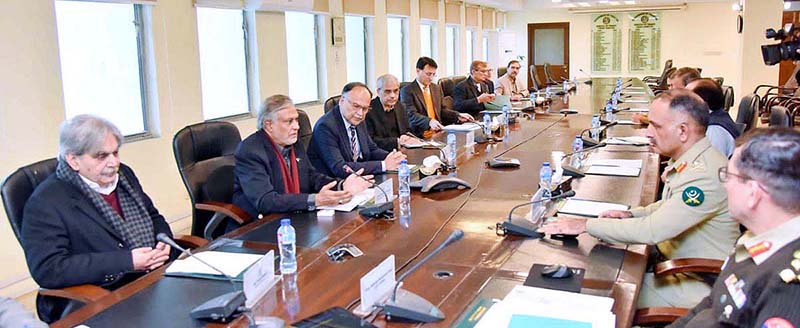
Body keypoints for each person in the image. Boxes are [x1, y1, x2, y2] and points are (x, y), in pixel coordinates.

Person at [539, 89, 740, 309]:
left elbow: (651, 231)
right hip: (674, 268)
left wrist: (585, 225)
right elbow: (668, 206)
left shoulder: (702, 175)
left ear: (683, 131)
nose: (647, 133)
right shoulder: (694, 159)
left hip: (695, 283)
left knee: (590, 290)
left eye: (656, 126)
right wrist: (631, 214)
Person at [21, 115, 176, 322]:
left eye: (115, 153)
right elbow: (49, 269)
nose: (114, 163)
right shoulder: (46, 201)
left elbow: (153, 216)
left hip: (150, 278)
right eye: (101, 156)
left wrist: (162, 240)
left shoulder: (124, 176)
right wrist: (127, 261)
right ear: (73, 160)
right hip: (99, 293)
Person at [669, 128, 800, 327]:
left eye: (728, 175)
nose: (725, 185)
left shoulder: (787, 289)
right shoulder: (754, 237)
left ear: (753, 193)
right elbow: (712, 303)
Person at [232, 95, 372, 219]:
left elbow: (311, 176)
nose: (297, 127)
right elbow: (266, 201)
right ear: (269, 125)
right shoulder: (250, 151)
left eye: (296, 120)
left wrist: (342, 185)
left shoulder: (294, 143)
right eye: (289, 122)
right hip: (260, 226)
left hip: (295, 215)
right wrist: (315, 200)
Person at [308, 82, 407, 178]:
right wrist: (384, 165)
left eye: (365, 109)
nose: (360, 113)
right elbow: (340, 168)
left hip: (359, 179)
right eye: (356, 106)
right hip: (334, 185)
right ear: (341, 101)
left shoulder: (357, 119)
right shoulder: (325, 127)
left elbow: (371, 150)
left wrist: (393, 157)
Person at [400, 57, 473, 138]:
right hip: (421, 136)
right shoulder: (407, 91)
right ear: (418, 71)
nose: (431, 78)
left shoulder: (436, 88)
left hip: (439, 132)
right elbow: (411, 115)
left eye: (433, 74)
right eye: (428, 74)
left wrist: (457, 115)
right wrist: (429, 121)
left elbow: (442, 110)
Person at [365, 74, 425, 151]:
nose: (393, 95)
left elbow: (407, 130)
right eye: (388, 91)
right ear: (378, 92)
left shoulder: (400, 106)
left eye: (396, 91)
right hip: (382, 154)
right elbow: (370, 141)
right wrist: (397, 141)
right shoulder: (369, 110)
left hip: (404, 150)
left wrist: (412, 138)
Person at [687, 78, 740, 158]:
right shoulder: (716, 117)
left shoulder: (714, 129)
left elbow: (712, 167)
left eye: (686, 98)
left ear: (702, 103)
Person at [634, 67, 702, 124]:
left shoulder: (695, 105)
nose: (669, 90)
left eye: (672, 86)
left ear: (688, 86)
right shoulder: (680, 102)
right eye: (669, 86)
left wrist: (643, 119)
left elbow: (672, 124)